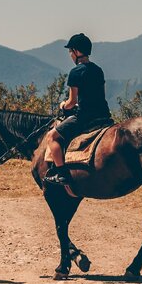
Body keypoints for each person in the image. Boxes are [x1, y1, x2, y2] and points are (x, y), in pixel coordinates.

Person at [42, 33, 114, 187]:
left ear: (75, 51)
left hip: (85, 117)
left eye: (70, 51)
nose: (69, 54)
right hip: (103, 115)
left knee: (51, 137)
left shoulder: (76, 72)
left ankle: (61, 174)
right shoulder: (98, 70)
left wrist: (64, 105)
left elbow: (72, 101)